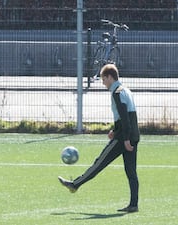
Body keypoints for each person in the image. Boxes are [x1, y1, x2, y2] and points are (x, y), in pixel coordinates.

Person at [58, 64, 140, 213]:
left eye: (103, 80)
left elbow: (125, 118)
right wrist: (115, 131)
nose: (103, 83)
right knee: (131, 171)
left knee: (100, 162)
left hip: (124, 138)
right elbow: (128, 117)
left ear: (110, 77)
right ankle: (134, 205)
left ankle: (75, 185)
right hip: (132, 135)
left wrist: (125, 138)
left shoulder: (117, 92)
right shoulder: (126, 90)